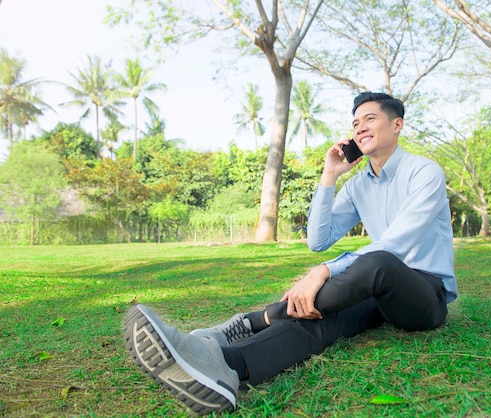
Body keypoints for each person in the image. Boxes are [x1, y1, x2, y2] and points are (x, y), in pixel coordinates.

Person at [124, 92, 458, 415]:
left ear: (396, 124)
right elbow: (318, 238)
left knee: (379, 262)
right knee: (315, 315)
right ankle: (227, 367)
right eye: (355, 123)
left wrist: (323, 271)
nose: (360, 128)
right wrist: (330, 176)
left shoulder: (424, 172)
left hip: (424, 294)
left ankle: (253, 321)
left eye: (370, 119)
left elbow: (396, 245)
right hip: (377, 295)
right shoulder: (358, 186)